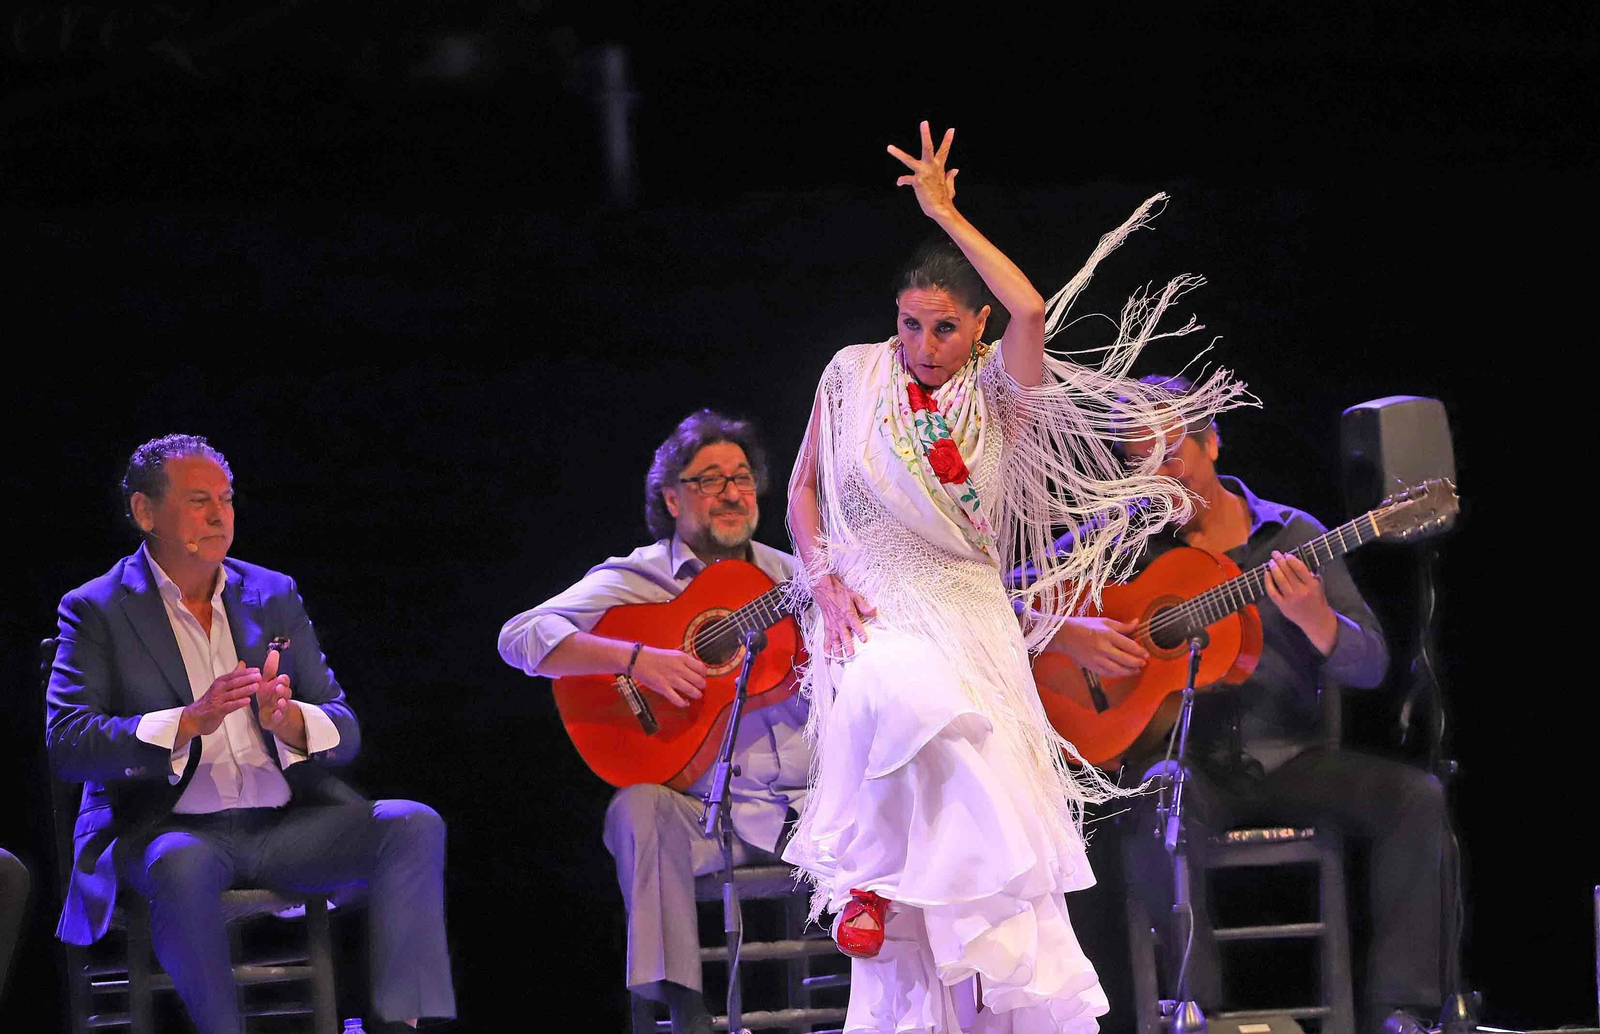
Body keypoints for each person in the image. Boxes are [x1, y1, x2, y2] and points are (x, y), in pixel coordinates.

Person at [779, 122, 1246, 1034]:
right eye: (910, 322)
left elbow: (1032, 309)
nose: (922, 341)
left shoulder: (998, 393)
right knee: (894, 694)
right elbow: (802, 491)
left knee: (976, 840)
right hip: (870, 607)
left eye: (944, 325)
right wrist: (823, 577)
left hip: (972, 617)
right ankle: (872, 878)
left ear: (977, 326)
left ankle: (919, 927)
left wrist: (945, 214)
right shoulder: (853, 374)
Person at [1044, 375, 1448, 1031]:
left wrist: (1319, 621)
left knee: (1417, 796)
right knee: (1157, 800)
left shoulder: (1293, 535)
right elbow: (1018, 597)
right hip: (1189, 767)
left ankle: (1403, 1010)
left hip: (1291, 760)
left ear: (1212, 444)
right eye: (1137, 463)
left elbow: (1371, 663)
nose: (1157, 478)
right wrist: (1076, 633)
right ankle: (1196, 1012)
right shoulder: (1115, 540)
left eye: (1169, 456)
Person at [47, 434, 455, 1034]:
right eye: (197, 500)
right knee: (180, 865)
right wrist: (188, 721)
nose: (219, 515)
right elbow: (70, 743)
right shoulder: (96, 608)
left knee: (412, 822)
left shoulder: (273, 593)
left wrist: (289, 721)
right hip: (167, 828)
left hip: (283, 827)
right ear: (144, 512)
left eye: (227, 498)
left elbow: (344, 726)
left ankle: (401, 1026)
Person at [497, 410, 807, 1034]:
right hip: (707, 817)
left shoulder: (794, 579)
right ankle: (680, 1013)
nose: (730, 493)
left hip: (815, 811)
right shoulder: (639, 579)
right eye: (708, 480)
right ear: (670, 498)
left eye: (743, 478)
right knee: (636, 808)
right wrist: (638, 658)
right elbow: (520, 637)